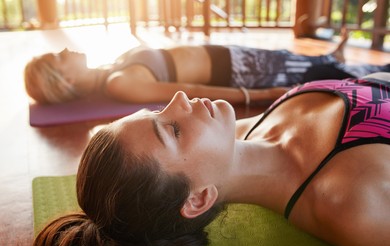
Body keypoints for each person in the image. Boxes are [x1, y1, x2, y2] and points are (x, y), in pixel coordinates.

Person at [32, 72, 390, 246]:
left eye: (158, 112)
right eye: (172, 129)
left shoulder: (237, 130)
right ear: (198, 199)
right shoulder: (353, 207)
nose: (178, 99)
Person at [24, 33, 389, 105]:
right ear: (65, 79)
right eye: (60, 57)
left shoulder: (110, 70)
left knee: (319, 65)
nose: (66, 48)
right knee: (332, 75)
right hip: (239, 74)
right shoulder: (120, 84)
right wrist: (260, 96)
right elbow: (191, 92)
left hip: (230, 58)